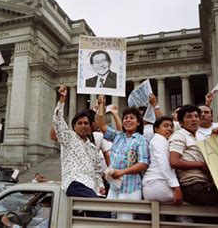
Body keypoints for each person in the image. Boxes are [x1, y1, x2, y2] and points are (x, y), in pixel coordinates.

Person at [52, 86, 107, 215]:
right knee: (101, 210)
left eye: (86, 123)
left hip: (90, 186)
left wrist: (101, 186)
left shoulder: (92, 147)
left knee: (104, 211)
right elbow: (58, 121)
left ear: (90, 127)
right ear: (74, 126)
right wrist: (62, 99)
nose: (83, 126)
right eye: (80, 123)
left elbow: (97, 170)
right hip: (75, 183)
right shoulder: (68, 138)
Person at [96, 94, 149, 220]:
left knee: (124, 222)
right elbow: (102, 126)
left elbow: (143, 164)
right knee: (107, 219)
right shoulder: (118, 136)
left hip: (130, 189)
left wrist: (122, 172)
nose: (128, 120)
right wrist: (101, 106)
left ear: (138, 122)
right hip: (114, 187)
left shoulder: (141, 140)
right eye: (125, 118)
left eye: (132, 118)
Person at [169, 105, 218, 205]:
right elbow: (174, 161)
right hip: (192, 186)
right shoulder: (180, 135)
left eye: (196, 116)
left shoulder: (197, 138)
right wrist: (200, 165)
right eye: (189, 117)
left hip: (204, 184)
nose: (194, 119)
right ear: (181, 123)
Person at [142, 116, 183, 205]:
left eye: (171, 126)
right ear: (156, 129)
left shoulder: (156, 141)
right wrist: (176, 186)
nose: (170, 129)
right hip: (159, 184)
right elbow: (164, 163)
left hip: (149, 186)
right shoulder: (159, 140)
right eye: (166, 126)